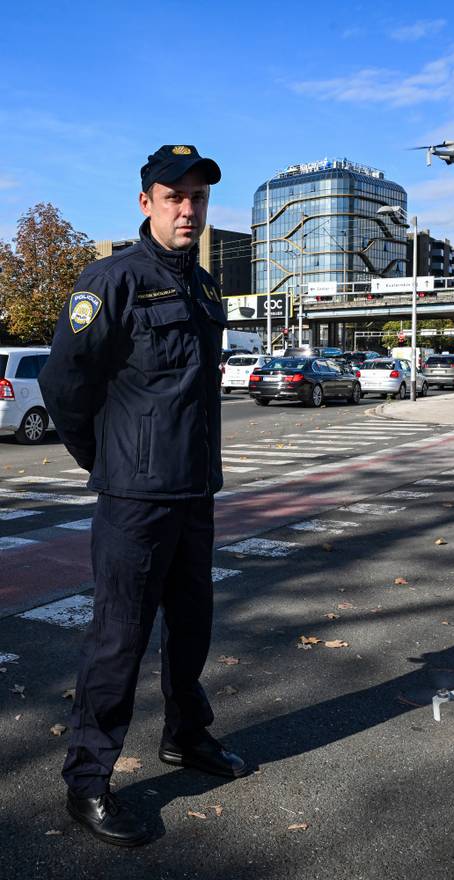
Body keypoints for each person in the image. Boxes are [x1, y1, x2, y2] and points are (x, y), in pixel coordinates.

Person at [39, 145, 247, 848]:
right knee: (117, 641)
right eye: (175, 196)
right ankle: (88, 781)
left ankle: (188, 737)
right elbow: (65, 386)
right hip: (135, 497)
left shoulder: (205, 286)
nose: (188, 209)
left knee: (191, 629)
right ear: (146, 203)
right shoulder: (112, 280)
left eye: (198, 198)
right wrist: (104, 461)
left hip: (194, 491)